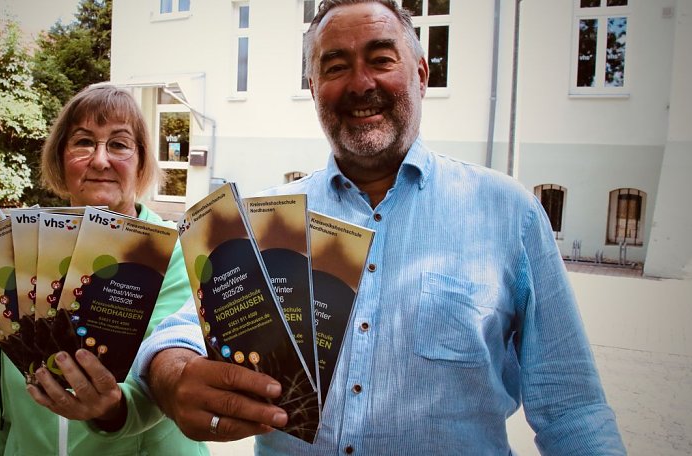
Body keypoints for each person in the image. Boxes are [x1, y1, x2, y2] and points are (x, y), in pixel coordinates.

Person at [134, 1, 627, 454]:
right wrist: (173, 374)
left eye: (381, 59)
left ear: (421, 75)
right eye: (335, 67)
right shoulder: (266, 224)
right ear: (313, 89)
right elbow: (178, 334)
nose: (360, 83)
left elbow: (572, 408)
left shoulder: (508, 213)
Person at [0, 84, 208, 455]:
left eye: (119, 144)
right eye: (84, 142)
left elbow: (171, 375)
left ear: (141, 162)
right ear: (60, 158)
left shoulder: (176, 253)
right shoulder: (25, 247)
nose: (100, 160)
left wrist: (114, 412)